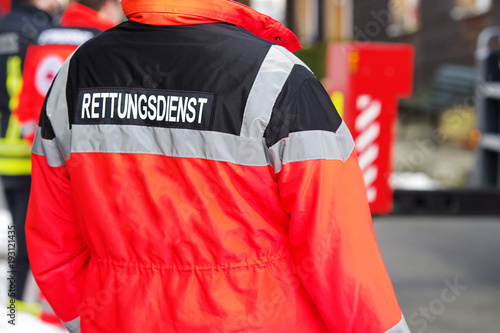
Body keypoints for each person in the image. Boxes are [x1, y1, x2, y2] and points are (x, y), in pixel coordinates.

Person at [26, 0, 411, 332]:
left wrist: (93, 320)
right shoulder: (277, 79)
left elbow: (53, 242)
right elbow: (337, 253)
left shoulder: (76, 75)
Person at [0, 0, 61, 302]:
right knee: (32, 241)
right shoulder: (42, 33)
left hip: (4, 148)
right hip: (30, 150)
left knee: (16, 233)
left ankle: (15, 306)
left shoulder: (3, 24)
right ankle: (18, 310)